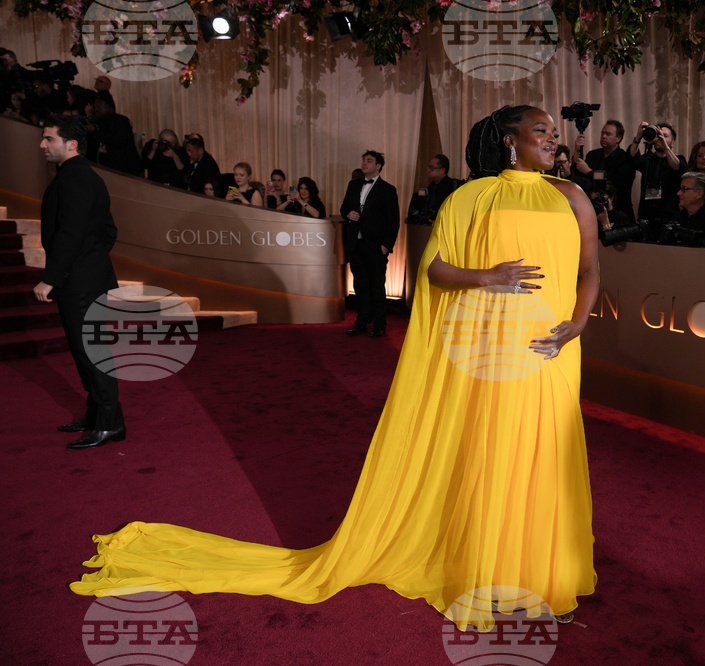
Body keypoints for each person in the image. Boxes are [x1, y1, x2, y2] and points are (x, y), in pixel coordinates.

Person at [70, 105, 598, 631]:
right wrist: (488, 276)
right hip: (488, 351)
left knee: (547, 456)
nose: (552, 139)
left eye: (554, 133)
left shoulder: (572, 195)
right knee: (494, 456)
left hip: (551, 351)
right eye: (541, 131)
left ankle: (549, 577)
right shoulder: (471, 197)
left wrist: (577, 324)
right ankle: (493, 574)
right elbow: (434, 268)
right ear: (509, 140)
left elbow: (591, 270)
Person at [34, 116, 125, 450]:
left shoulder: (75, 178)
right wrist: (91, 261)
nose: (42, 145)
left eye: (49, 139)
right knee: (84, 350)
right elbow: (108, 231)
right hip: (84, 278)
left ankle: (111, 424)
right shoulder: (80, 176)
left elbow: (70, 234)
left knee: (92, 352)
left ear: (71, 144)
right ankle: (96, 414)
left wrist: (50, 278)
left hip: (81, 281)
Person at [339, 150, 400, 338]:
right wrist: (348, 214)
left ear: (378, 166)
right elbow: (344, 208)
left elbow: (394, 221)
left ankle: (379, 325)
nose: (364, 163)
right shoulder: (353, 185)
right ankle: (362, 323)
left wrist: (386, 246)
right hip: (355, 244)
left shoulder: (387, 190)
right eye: (363, 160)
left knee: (377, 286)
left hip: (375, 246)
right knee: (360, 286)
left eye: (369, 161)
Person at [572, 119, 636, 222]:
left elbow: (614, 183)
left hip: (618, 214)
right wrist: (577, 151)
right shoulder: (592, 155)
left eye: (608, 134)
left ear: (618, 138)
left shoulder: (625, 159)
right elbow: (578, 179)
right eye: (602, 133)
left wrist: (589, 172)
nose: (604, 136)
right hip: (593, 213)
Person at [628, 121, 686, 224]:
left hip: (669, 217)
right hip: (646, 216)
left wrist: (666, 147)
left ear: (673, 143)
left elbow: (677, 166)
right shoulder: (648, 159)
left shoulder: (679, 159)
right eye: (658, 135)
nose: (661, 138)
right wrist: (638, 137)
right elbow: (632, 158)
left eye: (665, 136)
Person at [88, 91, 141, 175]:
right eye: (95, 107)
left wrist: (95, 132)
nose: (96, 110)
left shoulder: (121, 121)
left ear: (109, 106)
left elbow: (118, 140)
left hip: (123, 168)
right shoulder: (98, 122)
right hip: (104, 168)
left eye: (99, 106)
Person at [406, 154, 461, 225]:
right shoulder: (431, 186)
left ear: (442, 170)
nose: (428, 170)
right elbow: (419, 198)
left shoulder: (453, 186)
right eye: (428, 167)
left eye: (432, 168)